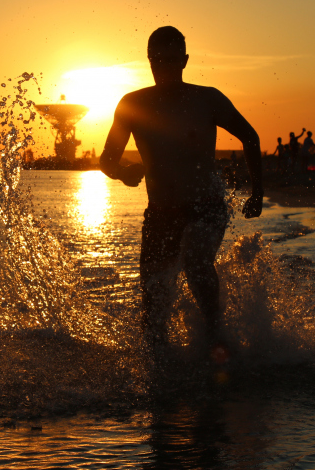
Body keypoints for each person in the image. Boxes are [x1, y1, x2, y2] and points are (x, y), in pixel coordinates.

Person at [99, 26, 263, 360]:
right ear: (149, 61)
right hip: (160, 214)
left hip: (207, 206)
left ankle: (216, 337)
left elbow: (250, 137)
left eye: (172, 60)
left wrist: (257, 192)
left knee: (196, 258)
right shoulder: (132, 104)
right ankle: (161, 377)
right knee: (154, 303)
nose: (165, 67)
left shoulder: (207, 99)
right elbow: (106, 159)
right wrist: (121, 172)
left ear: (185, 61)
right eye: (158, 60)